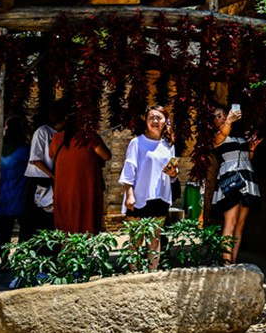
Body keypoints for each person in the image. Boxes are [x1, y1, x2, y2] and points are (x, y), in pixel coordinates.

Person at [119, 105, 179, 269]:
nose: (154, 121)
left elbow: (173, 174)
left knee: (155, 239)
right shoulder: (136, 143)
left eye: (158, 118)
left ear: (164, 121)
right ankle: (134, 275)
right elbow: (129, 171)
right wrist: (129, 195)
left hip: (160, 197)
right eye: (151, 117)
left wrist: (173, 173)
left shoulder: (169, 145)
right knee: (136, 239)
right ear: (146, 121)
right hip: (139, 197)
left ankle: (151, 275)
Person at [210, 104, 262, 264]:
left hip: (247, 177)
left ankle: (233, 261)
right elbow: (223, 133)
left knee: (240, 224)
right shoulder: (217, 137)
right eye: (217, 116)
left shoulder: (240, 136)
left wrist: (252, 149)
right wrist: (229, 121)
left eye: (223, 114)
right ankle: (226, 263)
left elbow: (248, 158)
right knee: (230, 221)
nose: (222, 118)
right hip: (230, 178)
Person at [50, 114, 111, 235]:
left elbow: (51, 156)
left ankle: (66, 251)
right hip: (86, 187)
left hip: (64, 188)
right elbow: (106, 155)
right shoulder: (89, 136)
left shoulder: (56, 138)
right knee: (86, 223)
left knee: (65, 224)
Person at [19, 100, 69, 242]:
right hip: (40, 179)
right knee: (35, 221)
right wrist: (54, 176)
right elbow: (36, 159)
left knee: (51, 221)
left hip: (54, 179)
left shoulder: (65, 135)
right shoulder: (43, 132)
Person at [0, 116, 29, 258]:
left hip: (2, 199)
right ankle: (20, 257)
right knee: (26, 230)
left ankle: (4, 261)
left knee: (2, 232)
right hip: (21, 197)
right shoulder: (26, 150)